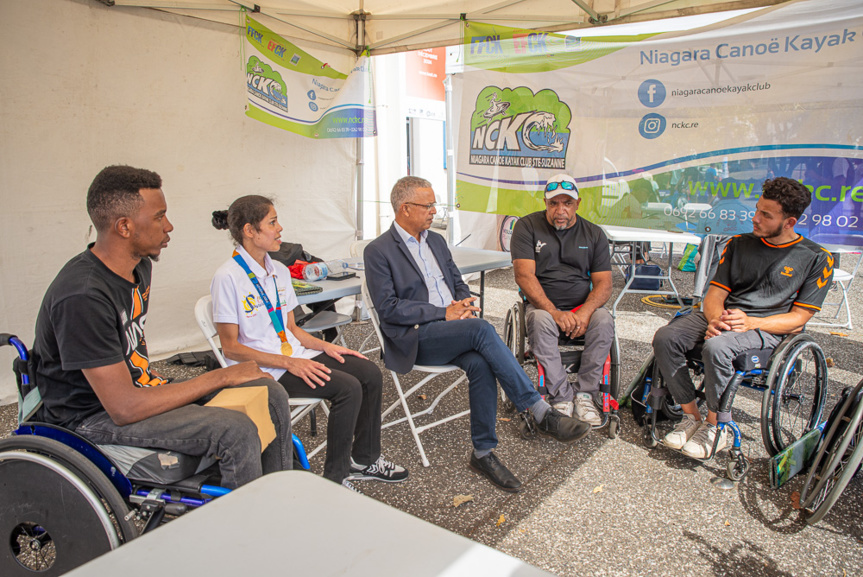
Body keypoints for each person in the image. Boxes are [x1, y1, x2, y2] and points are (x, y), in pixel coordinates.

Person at [32, 165, 292, 490]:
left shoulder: (139, 266)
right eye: (159, 217)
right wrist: (222, 376)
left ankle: (278, 495)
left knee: (268, 391)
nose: (168, 226)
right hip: (91, 417)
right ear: (124, 226)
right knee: (234, 429)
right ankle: (247, 518)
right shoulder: (82, 296)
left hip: (141, 388)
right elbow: (123, 408)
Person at [364, 176, 591, 493]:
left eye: (434, 205)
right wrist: (443, 312)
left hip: (453, 329)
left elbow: (457, 282)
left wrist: (464, 304)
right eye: (428, 205)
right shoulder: (378, 251)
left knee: (481, 361)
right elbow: (389, 309)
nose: (434, 211)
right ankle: (539, 411)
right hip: (415, 337)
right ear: (405, 209)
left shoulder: (436, 241)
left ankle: (483, 453)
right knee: (481, 329)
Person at [211, 195, 407, 490]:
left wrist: (326, 346)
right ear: (249, 230)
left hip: (294, 355)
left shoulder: (278, 270)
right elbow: (230, 348)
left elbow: (291, 328)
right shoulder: (227, 277)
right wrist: (290, 362)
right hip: (262, 369)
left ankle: (365, 460)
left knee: (369, 373)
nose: (280, 228)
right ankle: (335, 480)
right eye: (272, 222)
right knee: (347, 388)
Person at [652, 177, 834, 458]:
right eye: (757, 209)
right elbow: (714, 294)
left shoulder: (816, 257)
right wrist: (715, 320)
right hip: (725, 315)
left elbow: (799, 319)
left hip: (767, 328)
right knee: (666, 337)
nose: (755, 218)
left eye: (766, 215)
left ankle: (717, 426)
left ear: (789, 222)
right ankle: (691, 417)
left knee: (718, 347)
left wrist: (750, 323)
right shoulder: (738, 244)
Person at [510, 174, 615, 425]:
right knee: (539, 319)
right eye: (553, 203)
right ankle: (561, 398)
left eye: (567, 203)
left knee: (604, 319)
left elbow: (604, 283)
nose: (560, 210)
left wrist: (585, 312)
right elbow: (523, 276)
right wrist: (555, 312)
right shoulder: (526, 227)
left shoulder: (594, 234)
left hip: (582, 308)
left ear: (577, 203)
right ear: (545, 203)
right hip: (544, 307)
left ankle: (585, 395)